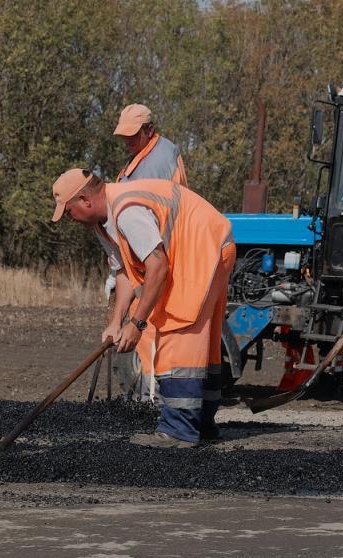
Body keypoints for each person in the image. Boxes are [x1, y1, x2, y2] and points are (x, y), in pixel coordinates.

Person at [51, 169, 234, 448]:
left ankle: (178, 431)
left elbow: (157, 266)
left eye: (68, 210)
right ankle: (202, 425)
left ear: (85, 200)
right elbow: (125, 270)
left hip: (202, 247)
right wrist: (116, 322)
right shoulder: (104, 223)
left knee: (178, 329)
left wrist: (136, 324)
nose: (68, 217)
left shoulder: (127, 211)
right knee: (199, 341)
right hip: (201, 248)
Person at [108, 104, 191, 400]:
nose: (127, 141)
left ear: (149, 130)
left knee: (148, 335)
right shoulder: (143, 158)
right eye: (124, 136)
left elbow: (144, 222)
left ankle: (151, 404)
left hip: (156, 260)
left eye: (133, 135)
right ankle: (147, 399)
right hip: (146, 259)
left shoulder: (155, 163)